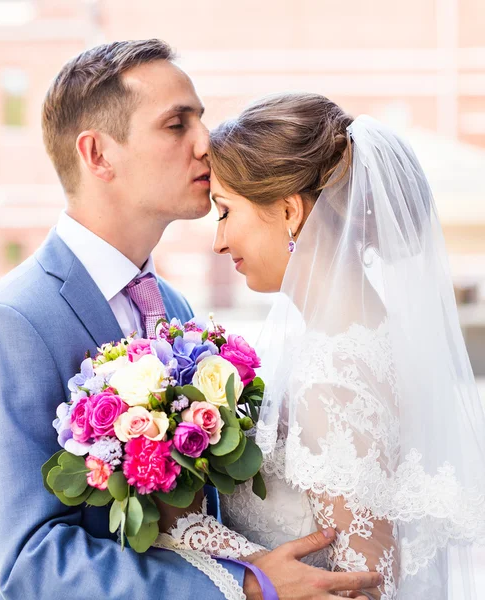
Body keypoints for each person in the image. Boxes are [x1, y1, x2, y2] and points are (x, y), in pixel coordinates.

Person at [0, 41, 382, 600]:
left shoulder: (175, 313)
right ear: (99, 155)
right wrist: (245, 586)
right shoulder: (12, 324)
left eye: (200, 119)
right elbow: (29, 566)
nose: (206, 143)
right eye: (177, 124)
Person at [163, 93, 485, 599]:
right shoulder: (359, 335)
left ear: (290, 211)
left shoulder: (334, 369)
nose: (218, 241)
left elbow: (364, 583)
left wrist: (188, 532)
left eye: (224, 212)